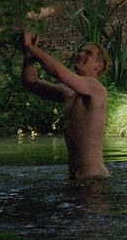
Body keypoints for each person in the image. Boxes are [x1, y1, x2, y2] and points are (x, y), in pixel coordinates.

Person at [21, 30, 111, 179]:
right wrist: (28, 54)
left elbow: (59, 73)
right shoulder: (69, 92)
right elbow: (31, 83)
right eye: (80, 51)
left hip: (94, 178)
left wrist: (31, 47)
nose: (80, 54)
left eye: (88, 53)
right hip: (76, 178)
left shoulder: (96, 88)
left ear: (99, 66)